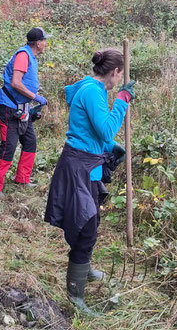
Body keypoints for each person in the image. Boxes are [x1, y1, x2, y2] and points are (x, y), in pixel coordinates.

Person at [44, 49, 136, 315]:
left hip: (89, 166)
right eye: (120, 77)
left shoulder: (92, 88)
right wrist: (122, 100)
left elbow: (92, 131)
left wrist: (111, 146)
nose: (120, 81)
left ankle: (84, 268)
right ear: (116, 72)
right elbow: (106, 127)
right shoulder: (92, 92)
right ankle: (76, 294)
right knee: (85, 228)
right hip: (78, 168)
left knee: (91, 221)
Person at [0, 27, 51, 197]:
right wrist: (35, 96)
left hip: (20, 108)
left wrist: (31, 110)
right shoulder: (23, 56)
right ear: (38, 43)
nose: (46, 44)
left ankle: (22, 179)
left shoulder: (31, 57)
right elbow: (16, 83)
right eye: (44, 41)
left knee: (30, 142)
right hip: (8, 107)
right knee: (9, 146)